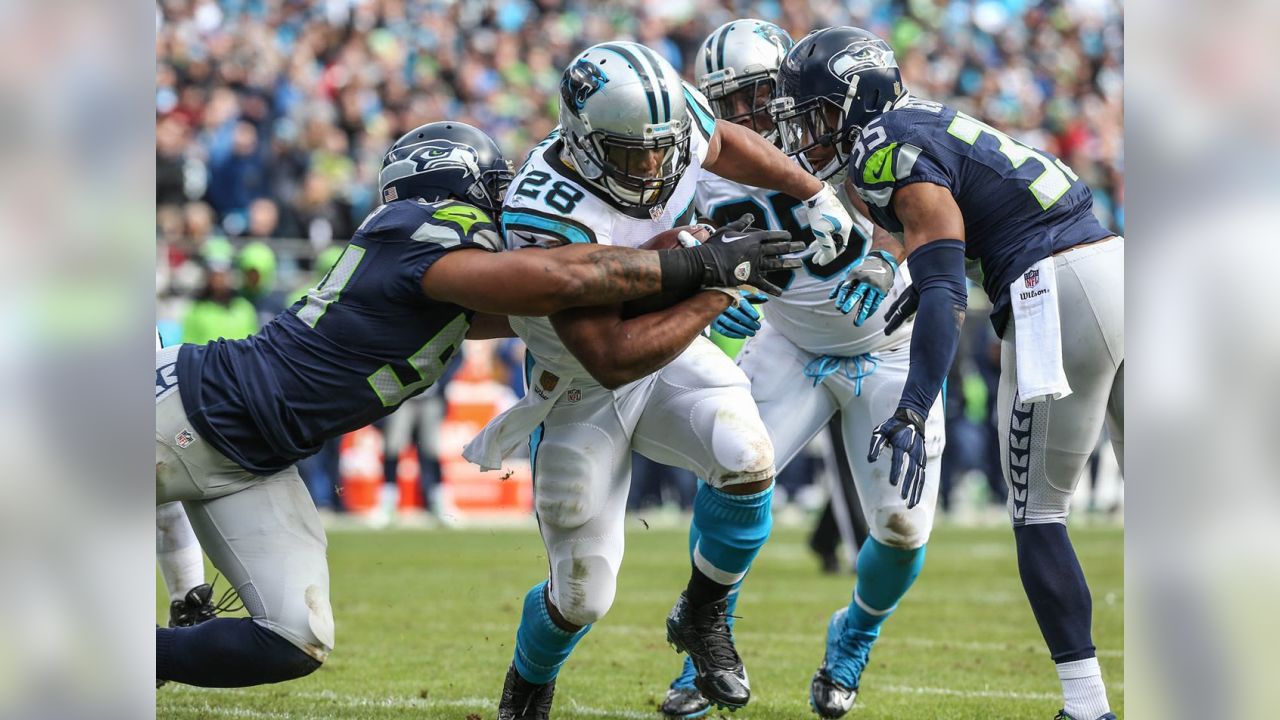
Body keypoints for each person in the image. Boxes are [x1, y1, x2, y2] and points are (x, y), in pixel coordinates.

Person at [155, 120, 799, 689]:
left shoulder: (440, 274)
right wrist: (703, 266)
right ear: (459, 187)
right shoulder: (416, 232)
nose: (510, 204)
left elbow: (570, 304)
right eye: (498, 188)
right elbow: (559, 278)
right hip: (193, 407)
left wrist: (702, 264)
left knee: (295, 638)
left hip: (255, 458)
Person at [461, 40, 854, 719]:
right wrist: (719, 283)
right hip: (582, 383)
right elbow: (609, 354)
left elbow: (723, 141)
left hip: (669, 350)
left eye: (660, 150)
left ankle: (701, 615)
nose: (652, 168)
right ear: (582, 140)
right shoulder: (544, 210)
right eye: (631, 155)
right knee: (582, 595)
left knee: (748, 457)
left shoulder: (663, 124)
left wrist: (811, 191)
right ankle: (528, 681)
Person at [775, 27, 1123, 720]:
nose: (808, 133)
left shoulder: (881, 146)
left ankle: (1085, 708)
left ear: (856, 101)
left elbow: (943, 292)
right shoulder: (927, 118)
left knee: (1039, 516)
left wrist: (911, 404)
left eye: (816, 113)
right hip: (1119, 263)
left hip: (1054, 290)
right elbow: (948, 225)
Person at [658, 22, 945, 719]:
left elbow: (923, 202)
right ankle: (707, 642)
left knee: (904, 531)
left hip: (890, 345)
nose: (751, 115)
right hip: (787, 341)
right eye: (733, 100)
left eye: (761, 94)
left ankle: (854, 636)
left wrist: (887, 251)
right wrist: (708, 289)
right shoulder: (696, 165)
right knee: (731, 469)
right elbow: (673, 244)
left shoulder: (848, 129)